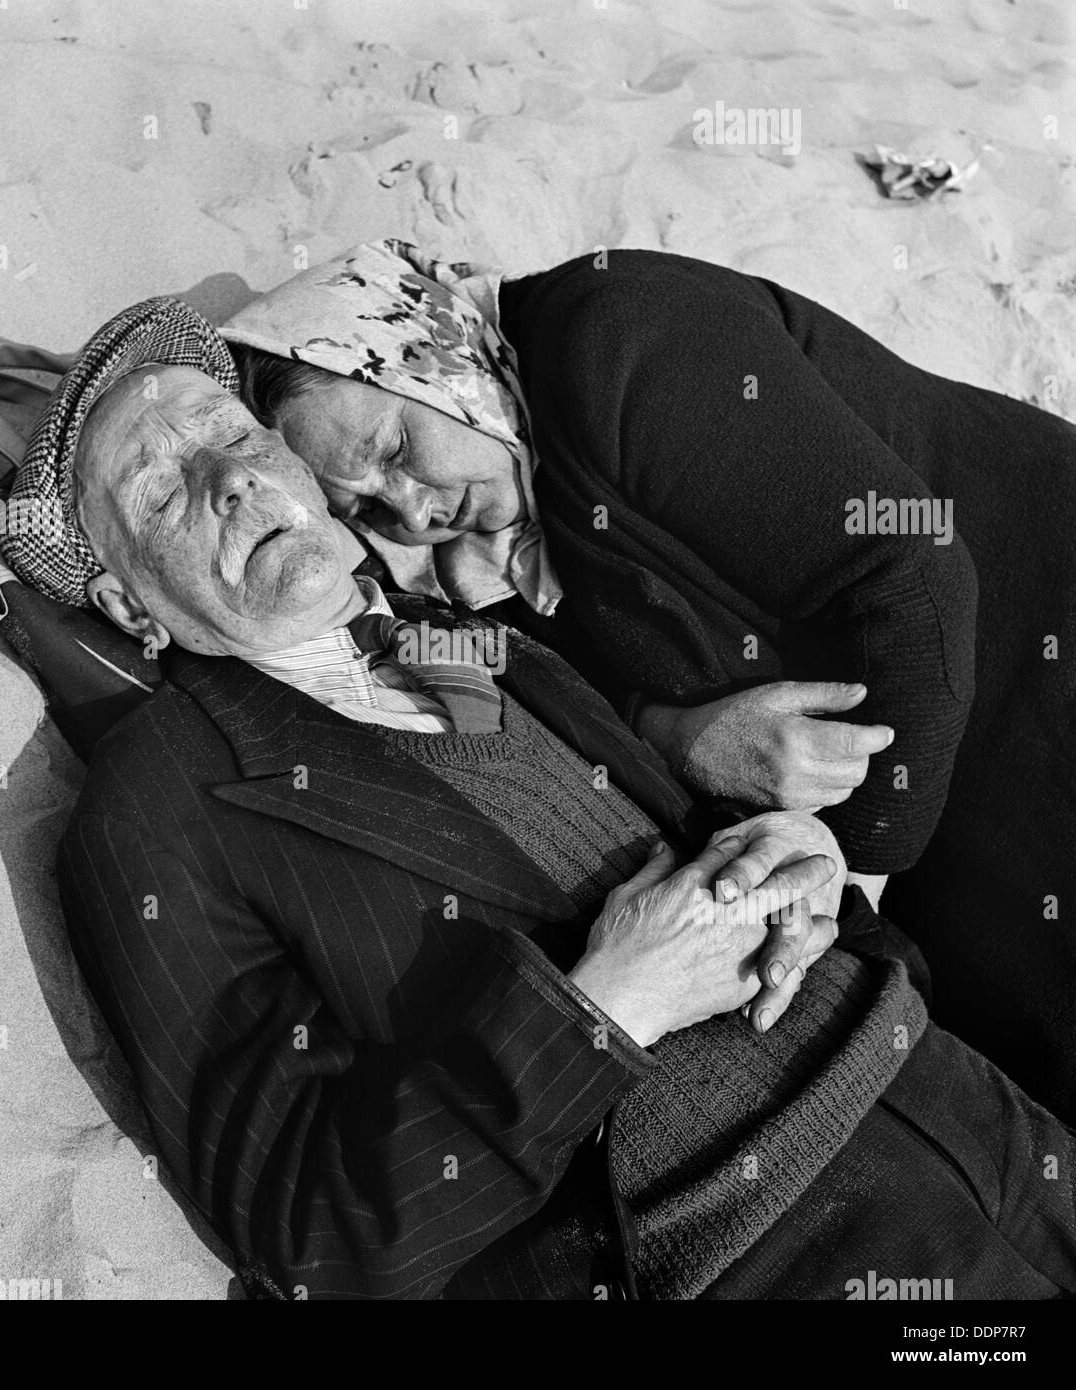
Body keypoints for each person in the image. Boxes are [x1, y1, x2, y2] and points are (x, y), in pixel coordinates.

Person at [0, 297, 1076, 1301]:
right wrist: (603, 1008)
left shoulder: (475, 645)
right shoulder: (150, 815)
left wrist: (807, 867)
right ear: (128, 608)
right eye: (157, 492)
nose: (227, 482)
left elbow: (701, 843)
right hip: (771, 1239)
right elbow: (310, 1230)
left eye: (232, 436)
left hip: (947, 1090)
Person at [222, 240, 1076, 1120]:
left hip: (1028, 630)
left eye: (396, 445)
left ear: (426, 348)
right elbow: (570, 700)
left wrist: (843, 880)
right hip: (907, 760)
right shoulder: (483, 554)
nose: (410, 508)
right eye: (363, 503)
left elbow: (914, 578)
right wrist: (680, 736)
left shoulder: (614, 341)